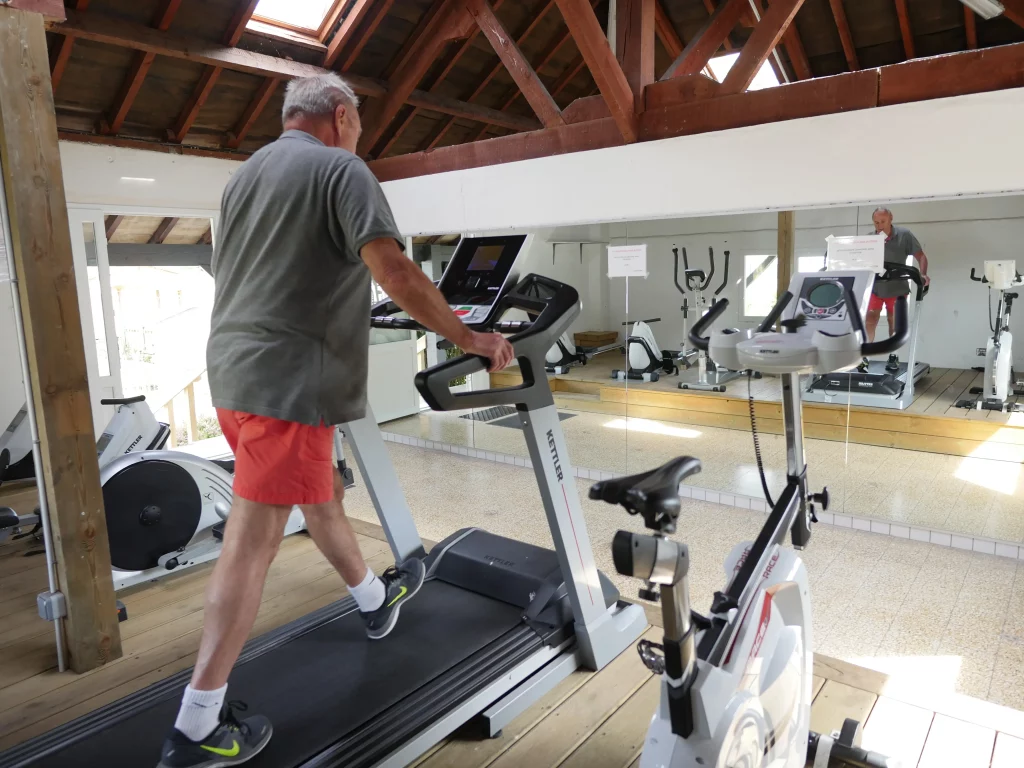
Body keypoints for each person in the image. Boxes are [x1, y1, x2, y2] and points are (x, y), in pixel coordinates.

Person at [157, 73, 514, 768]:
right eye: (360, 127)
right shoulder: (342, 169)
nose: (359, 137)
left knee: (321, 495)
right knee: (251, 540)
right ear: (342, 118)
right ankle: (196, 723)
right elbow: (396, 272)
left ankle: (375, 597)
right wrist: (468, 338)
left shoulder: (246, 176)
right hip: (289, 386)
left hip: (234, 374)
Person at [861, 207, 929, 370]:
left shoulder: (904, 235)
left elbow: (921, 256)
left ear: (891, 218)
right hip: (875, 287)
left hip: (897, 287)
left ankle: (894, 356)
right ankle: (864, 357)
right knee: (870, 321)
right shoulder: (869, 238)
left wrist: (923, 274)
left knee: (894, 321)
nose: (879, 225)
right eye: (876, 222)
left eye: (883, 222)